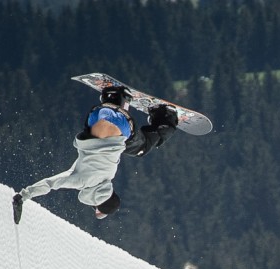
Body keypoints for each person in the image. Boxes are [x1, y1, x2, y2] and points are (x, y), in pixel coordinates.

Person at [12, 84, 179, 224]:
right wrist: (23, 196)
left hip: (123, 125)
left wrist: (102, 209)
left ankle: (161, 115)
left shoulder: (108, 177)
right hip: (95, 117)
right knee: (126, 140)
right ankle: (114, 98)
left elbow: (105, 200)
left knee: (141, 147)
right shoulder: (78, 180)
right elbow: (49, 184)